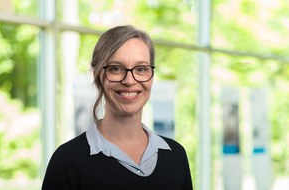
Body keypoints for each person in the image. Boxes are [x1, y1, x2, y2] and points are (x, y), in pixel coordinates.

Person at [42, 25, 193, 190]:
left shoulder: (175, 155)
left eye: (141, 69)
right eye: (116, 69)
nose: (129, 80)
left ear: (151, 76)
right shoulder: (67, 161)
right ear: (97, 76)